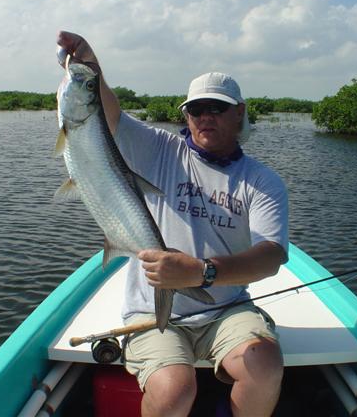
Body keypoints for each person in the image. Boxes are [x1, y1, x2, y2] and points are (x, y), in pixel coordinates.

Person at [57, 31, 289, 417]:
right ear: (186, 116)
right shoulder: (161, 149)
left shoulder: (262, 181)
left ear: (240, 113)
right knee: (173, 392)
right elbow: (106, 115)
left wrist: (202, 272)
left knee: (264, 366)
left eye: (216, 108)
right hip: (150, 310)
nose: (205, 117)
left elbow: (270, 257)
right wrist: (91, 68)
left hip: (226, 308)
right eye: (196, 110)